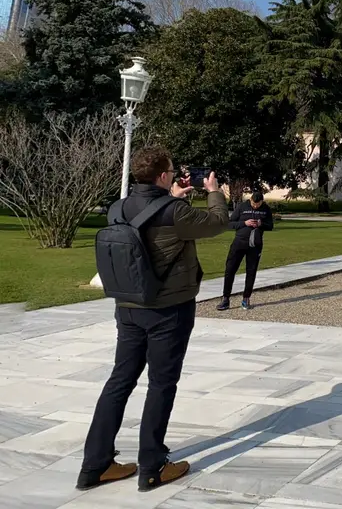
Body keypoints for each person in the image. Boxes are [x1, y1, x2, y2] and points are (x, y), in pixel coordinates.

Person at [79, 147, 229, 493]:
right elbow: (218, 222)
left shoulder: (117, 207)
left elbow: (145, 226)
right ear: (162, 175)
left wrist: (167, 197)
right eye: (172, 172)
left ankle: (95, 465)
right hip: (168, 309)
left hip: (128, 306)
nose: (176, 177)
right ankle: (152, 466)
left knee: (119, 381)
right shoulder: (176, 211)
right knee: (161, 384)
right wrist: (214, 192)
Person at [218, 191, 274, 311]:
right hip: (239, 242)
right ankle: (225, 298)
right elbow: (230, 224)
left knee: (251, 271)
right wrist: (244, 223)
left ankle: (246, 297)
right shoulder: (242, 207)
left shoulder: (266, 209)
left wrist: (261, 223)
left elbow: (270, 225)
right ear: (251, 200)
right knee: (230, 269)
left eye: (257, 204)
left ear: (262, 202)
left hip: (255, 244)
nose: (255, 206)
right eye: (253, 203)